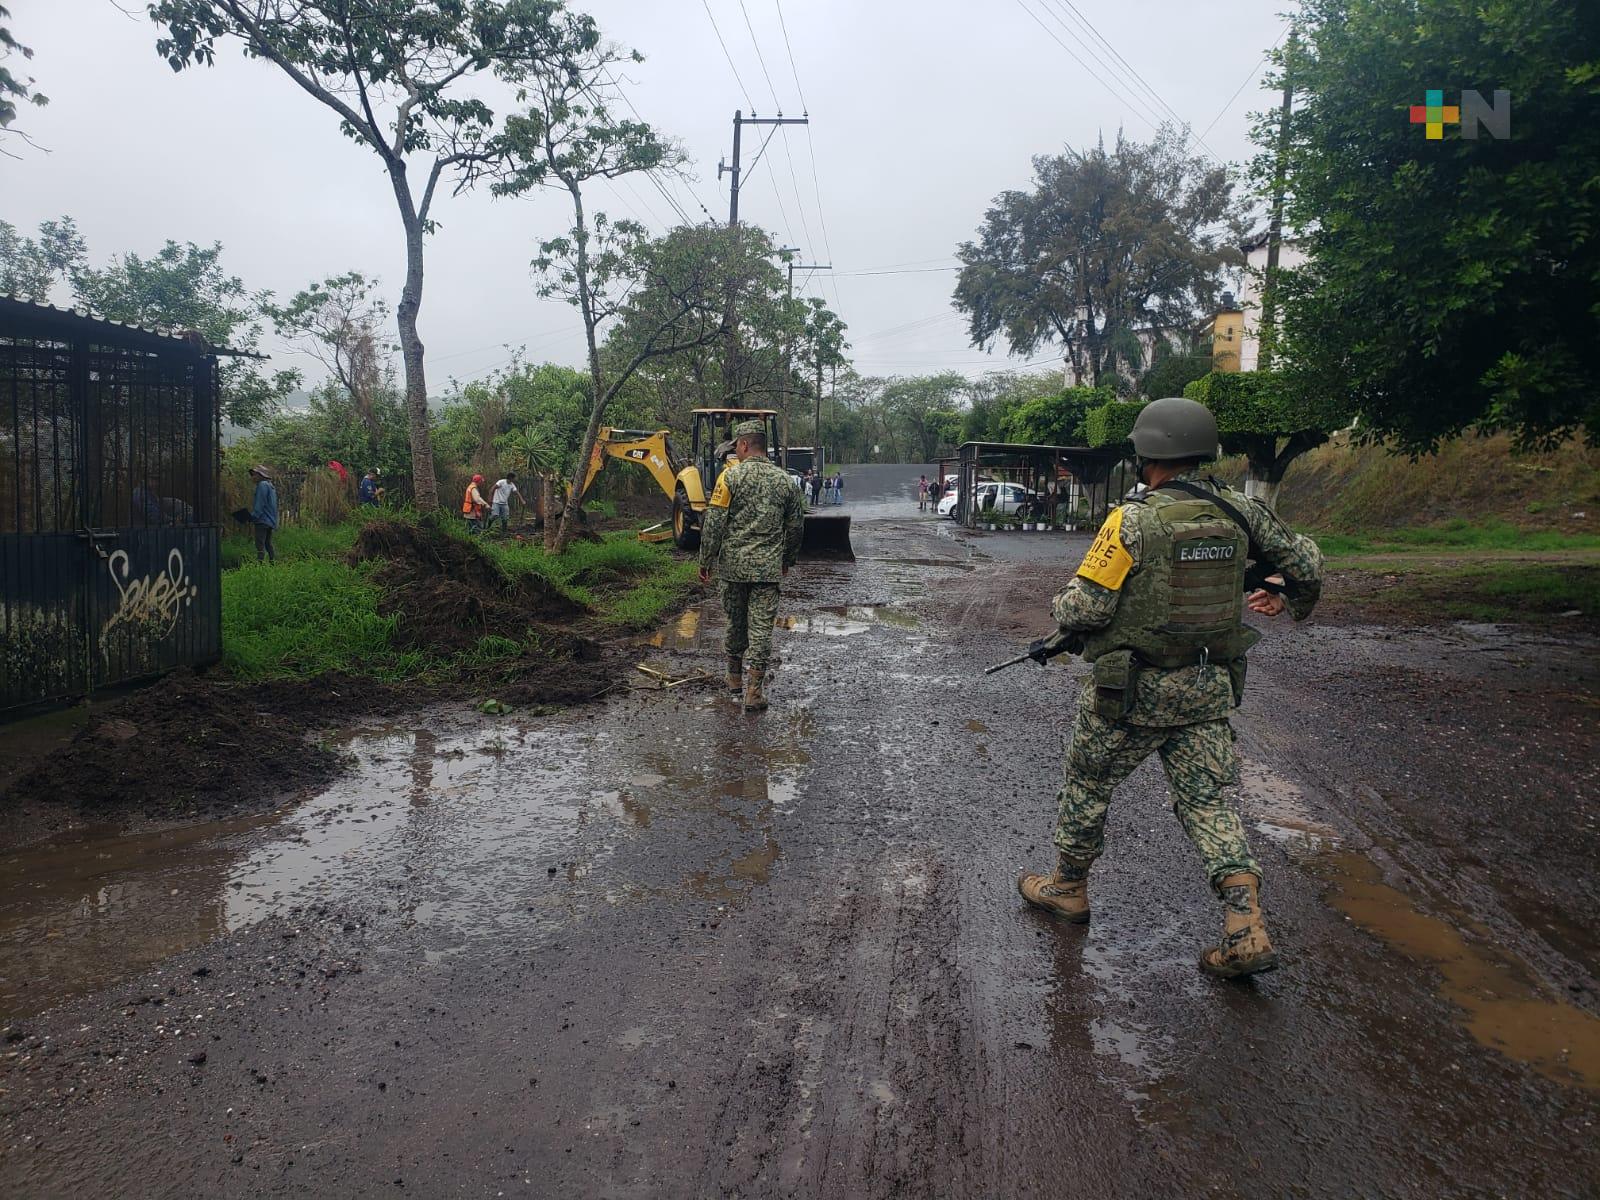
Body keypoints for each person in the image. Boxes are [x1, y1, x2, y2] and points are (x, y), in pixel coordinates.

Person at [1016, 397, 1324, 980]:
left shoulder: (1131, 520)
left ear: (1146, 452)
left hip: (1129, 693)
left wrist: (1061, 617)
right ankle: (1244, 924)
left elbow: (1085, 605)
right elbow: (1307, 562)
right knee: (1207, 802)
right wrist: (1286, 596)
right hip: (1206, 689)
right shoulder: (1241, 512)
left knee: (1088, 786)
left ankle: (1068, 889)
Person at [698, 419, 805, 712]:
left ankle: (733, 678)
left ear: (744, 444)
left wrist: (705, 559)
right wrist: (787, 559)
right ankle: (753, 692)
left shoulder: (729, 479)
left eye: (737, 447)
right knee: (760, 629)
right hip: (767, 570)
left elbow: (715, 523)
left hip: (732, 569)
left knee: (735, 622)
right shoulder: (785, 481)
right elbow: (796, 526)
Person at [248, 464, 278, 564]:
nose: (253, 477)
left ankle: (260, 564)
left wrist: (253, 517)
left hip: (262, 519)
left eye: (255, 475)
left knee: (259, 543)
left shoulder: (262, 485)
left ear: (261, 475)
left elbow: (259, 504)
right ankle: (272, 563)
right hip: (270, 520)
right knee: (268, 543)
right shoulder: (270, 486)